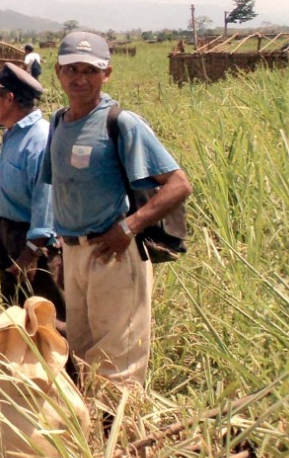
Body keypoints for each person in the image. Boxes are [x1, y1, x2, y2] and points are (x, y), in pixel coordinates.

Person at [41, 31, 192, 386]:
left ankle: (120, 433)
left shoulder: (121, 123)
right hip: (75, 252)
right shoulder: (59, 123)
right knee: (80, 347)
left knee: (116, 359)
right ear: (58, 73)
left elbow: (179, 184)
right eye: (71, 69)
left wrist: (129, 226)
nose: (80, 78)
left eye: (89, 70)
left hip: (113, 252)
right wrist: (62, 246)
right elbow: (60, 191)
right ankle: (89, 433)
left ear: (106, 73)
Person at [0, 64, 64, 323]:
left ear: (9, 98)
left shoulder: (40, 139)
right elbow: (7, 191)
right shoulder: (13, 133)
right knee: (15, 316)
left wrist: (31, 254)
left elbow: (46, 202)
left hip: (34, 244)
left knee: (47, 321)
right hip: (9, 234)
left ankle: (62, 365)